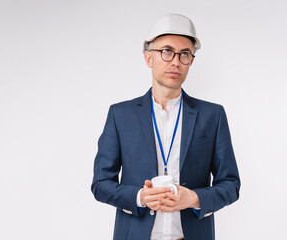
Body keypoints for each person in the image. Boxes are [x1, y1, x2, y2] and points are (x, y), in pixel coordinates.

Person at [91, 13, 240, 240]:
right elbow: (100, 184)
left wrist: (194, 198)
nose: (175, 62)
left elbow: (231, 184)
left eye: (185, 54)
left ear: (191, 61)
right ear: (148, 57)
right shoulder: (120, 115)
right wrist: (140, 196)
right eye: (167, 51)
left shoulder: (213, 115)